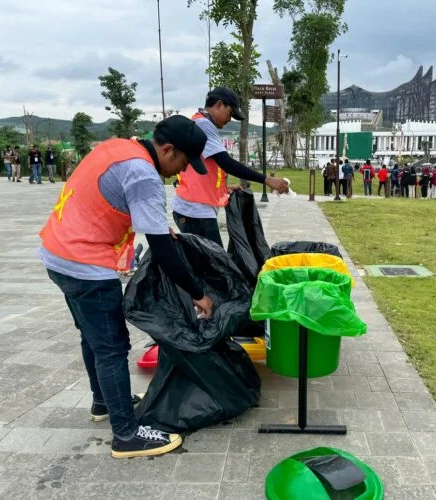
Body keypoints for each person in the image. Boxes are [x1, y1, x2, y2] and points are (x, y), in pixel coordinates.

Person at [39, 116, 213, 459]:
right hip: (85, 264)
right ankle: (127, 434)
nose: (181, 172)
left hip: (57, 253)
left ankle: (104, 402)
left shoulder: (120, 147)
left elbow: (119, 201)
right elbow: (162, 249)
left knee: (92, 337)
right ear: (168, 149)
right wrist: (198, 294)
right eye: (182, 162)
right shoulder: (144, 174)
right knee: (112, 347)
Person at [171, 87, 288, 246]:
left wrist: (222, 189)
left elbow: (204, 170)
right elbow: (225, 162)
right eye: (230, 113)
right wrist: (266, 179)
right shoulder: (203, 124)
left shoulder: (201, 122)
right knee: (215, 260)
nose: (229, 120)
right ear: (219, 105)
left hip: (194, 209)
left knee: (205, 259)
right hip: (194, 211)